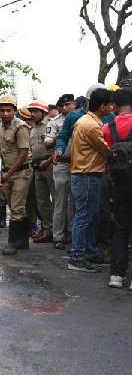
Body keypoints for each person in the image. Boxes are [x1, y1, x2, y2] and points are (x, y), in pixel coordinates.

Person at [67, 88, 114, 273]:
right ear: (102, 106)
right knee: (84, 217)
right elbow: (106, 151)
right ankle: (77, 257)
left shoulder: (86, 121)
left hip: (86, 174)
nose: (112, 107)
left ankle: (90, 252)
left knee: (90, 216)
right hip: (86, 175)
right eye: (110, 104)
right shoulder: (92, 126)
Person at [0, 95, 33, 255]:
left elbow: (23, 153)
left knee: (16, 208)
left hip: (21, 172)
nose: (5, 114)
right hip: (7, 172)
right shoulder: (1, 126)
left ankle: (12, 243)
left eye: (8, 111)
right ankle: (22, 241)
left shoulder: (21, 127)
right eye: (2, 111)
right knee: (15, 207)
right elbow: (1, 148)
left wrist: (8, 174)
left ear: (14, 111)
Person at [103, 88, 132, 288]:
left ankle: (116, 275)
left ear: (115, 106)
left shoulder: (107, 128)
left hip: (119, 183)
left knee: (121, 228)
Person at [26, 100, 55, 243]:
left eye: (35, 111)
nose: (32, 114)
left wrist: (48, 160)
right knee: (42, 201)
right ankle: (47, 230)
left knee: (56, 200)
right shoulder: (32, 128)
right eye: (31, 111)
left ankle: (58, 231)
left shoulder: (50, 124)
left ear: (43, 112)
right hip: (37, 167)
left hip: (50, 165)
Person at [50, 93, 76, 249]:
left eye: (69, 104)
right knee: (60, 202)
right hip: (61, 164)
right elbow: (47, 141)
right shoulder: (55, 122)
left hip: (78, 165)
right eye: (63, 105)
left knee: (75, 203)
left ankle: (73, 234)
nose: (66, 107)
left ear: (74, 105)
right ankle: (58, 237)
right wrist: (59, 137)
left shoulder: (82, 120)